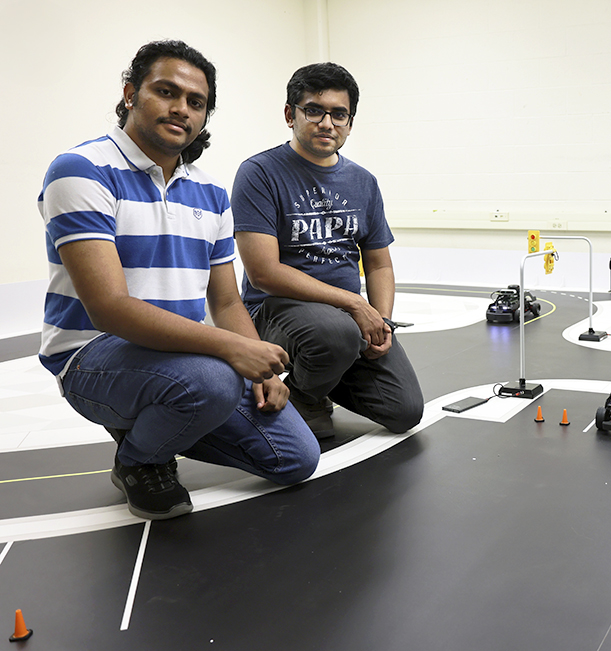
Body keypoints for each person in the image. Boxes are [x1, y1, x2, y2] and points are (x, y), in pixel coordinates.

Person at [38, 40, 320, 520]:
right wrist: (230, 351)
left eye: (196, 102)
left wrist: (263, 370)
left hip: (186, 364)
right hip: (92, 356)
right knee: (212, 379)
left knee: (294, 457)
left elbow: (228, 302)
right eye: (166, 92)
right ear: (130, 93)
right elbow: (108, 307)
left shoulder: (210, 192)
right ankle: (138, 459)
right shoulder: (81, 170)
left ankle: (163, 415)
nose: (181, 109)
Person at [231, 62, 423, 437]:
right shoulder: (260, 173)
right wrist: (354, 305)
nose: (327, 123)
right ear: (290, 114)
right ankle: (306, 395)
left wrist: (380, 322)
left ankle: (321, 372)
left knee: (405, 411)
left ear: (350, 121)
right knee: (336, 333)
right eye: (314, 110)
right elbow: (264, 273)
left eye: (339, 114)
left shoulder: (363, 181)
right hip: (275, 309)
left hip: (340, 322)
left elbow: (379, 264)